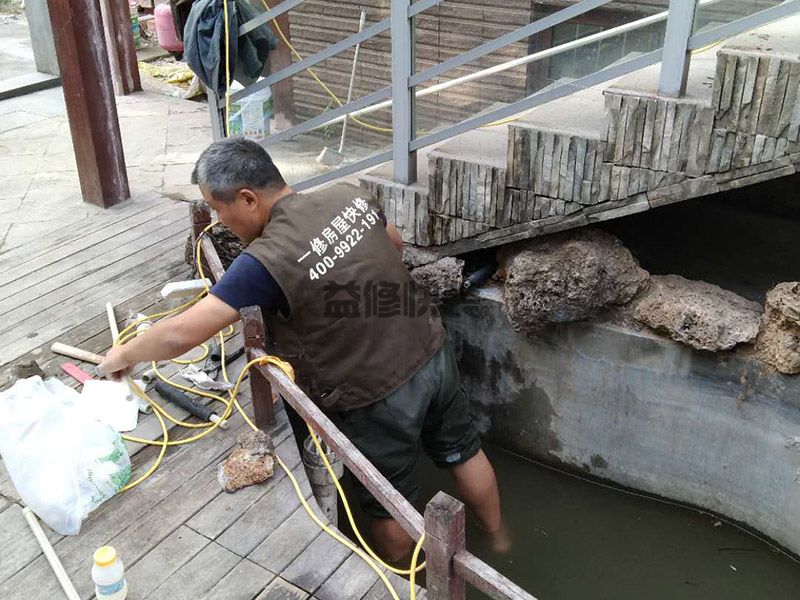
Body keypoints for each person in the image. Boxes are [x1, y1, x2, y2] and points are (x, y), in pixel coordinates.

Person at [100, 137, 504, 560]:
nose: (220, 222)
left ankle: (396, 581)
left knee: (391, 506)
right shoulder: (347, 195)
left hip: (376, 395)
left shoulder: (264, 260)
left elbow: (178, 335)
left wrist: (123, 355)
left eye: (219, 212)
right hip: (431, 348)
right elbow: (396, 244)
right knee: (464, 452)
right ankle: (500, 539)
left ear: (248, 199)